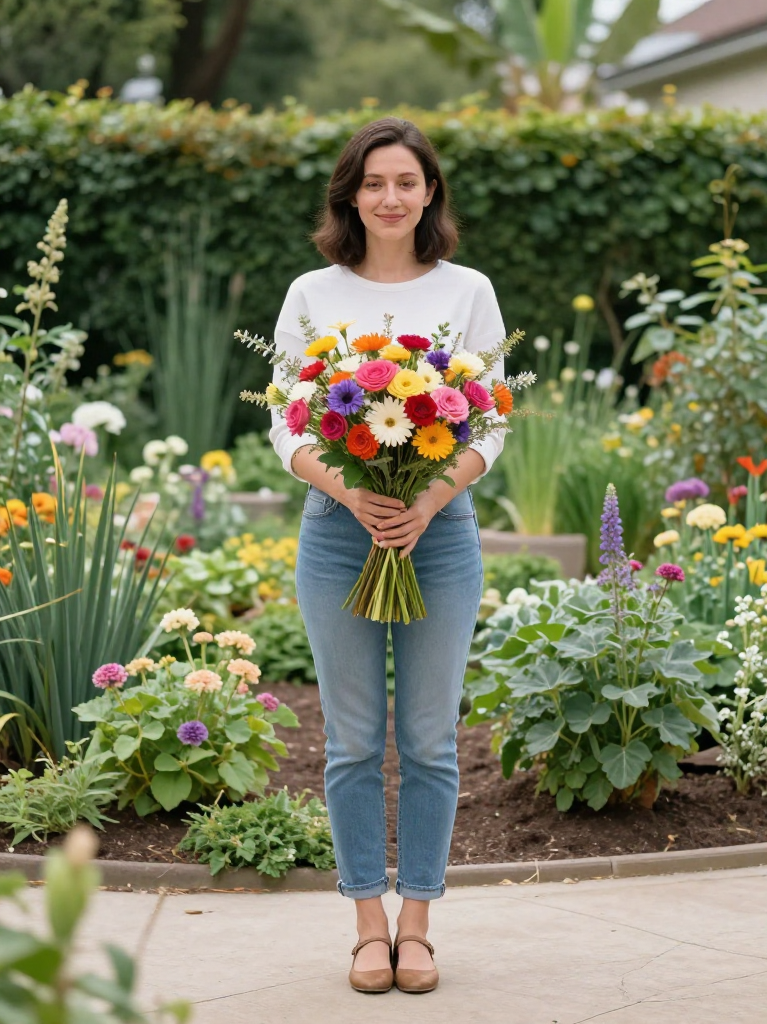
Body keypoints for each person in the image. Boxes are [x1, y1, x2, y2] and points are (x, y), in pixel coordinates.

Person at [269, 117, 507, 994]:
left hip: (440, 534)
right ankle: (367, 922)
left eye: (407, 180)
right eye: (374, 182)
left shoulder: (467, 289)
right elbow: (285, 419)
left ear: (430, 191)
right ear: (351, 194)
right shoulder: (311, 293)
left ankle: (419, 926)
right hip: (339, 532)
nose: (391, 197)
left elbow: (491, 417)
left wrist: (430, 497)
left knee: (433, 740)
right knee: (354, 742)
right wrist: (353, 494)